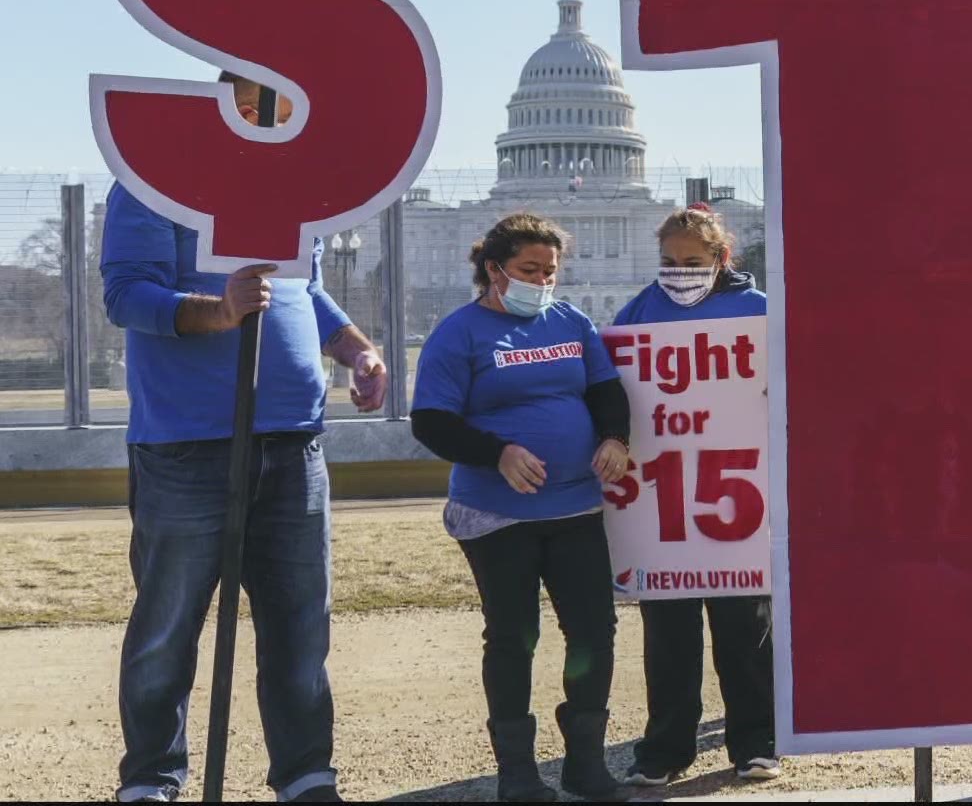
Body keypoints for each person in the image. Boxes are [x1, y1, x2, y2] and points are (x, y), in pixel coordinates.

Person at [104, 73, 387, 804]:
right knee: (168, 627)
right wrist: (217, 309)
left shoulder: (293, 187)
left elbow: (309, 291)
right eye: (274, 104)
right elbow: (126, 293)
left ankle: (305, 774)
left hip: (295, 443)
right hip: (187, 445)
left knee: (300, 623)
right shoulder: (152, 182)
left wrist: (358, 350)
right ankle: (152, 779)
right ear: (233, 101)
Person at [409, 213, 635, 803]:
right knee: (513, 635)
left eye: (550, 271)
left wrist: (615, 437)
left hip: (575, 509)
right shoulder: (458, 333)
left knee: (593, 630)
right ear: (494, 270)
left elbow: (605, 389)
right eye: (529, 270)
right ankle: (518, 772)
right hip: (496, 514)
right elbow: (432, 421)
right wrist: (498, 453)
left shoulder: (569, 319)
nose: (542, 281)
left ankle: (586, 762)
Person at [613, 204, 780, 787]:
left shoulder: (759, 312)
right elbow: (614, 389)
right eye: (668, 261)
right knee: (669, 639)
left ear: (720, 259)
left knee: (746, 633)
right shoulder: (638, 311)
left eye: (691, 262)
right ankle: (663, 750)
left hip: (737, 498)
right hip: (666, 505)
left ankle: (757, 741)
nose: (678, 271)